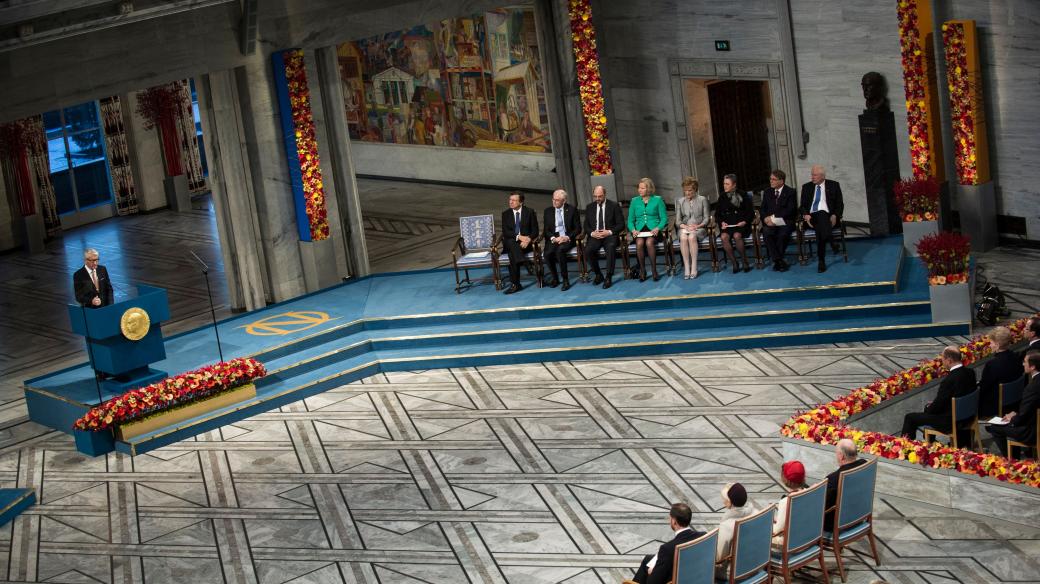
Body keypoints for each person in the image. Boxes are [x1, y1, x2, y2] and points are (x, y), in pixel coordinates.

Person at [899, 346, 977, 439]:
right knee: (930, 408)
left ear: (949, 360)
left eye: (943, 359)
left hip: (950, 421)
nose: (942, 362)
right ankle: (931, 442)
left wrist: (928, 409)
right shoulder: (970, 372)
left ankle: (906, 448)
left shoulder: (949, 380)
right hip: (968, 416)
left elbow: (938, 406)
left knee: (910, 418)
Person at [630, 503, 703, 584]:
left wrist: (652, 571)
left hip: (674, 579)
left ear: (674, 521)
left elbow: (653, 582)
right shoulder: (703, 536)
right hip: (693, 573)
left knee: (648, 570)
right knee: (647, 559)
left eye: (670, 518)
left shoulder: (668, 548)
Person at [986, 351, 1040, 457]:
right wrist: (1015, 413)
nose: (1023, 364)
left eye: (1025, 362)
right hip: (1034, 421)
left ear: (1032, 366)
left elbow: (1024, 416)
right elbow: (1030, 408)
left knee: (995, 428)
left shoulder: (1032, 388)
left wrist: (1012, 420)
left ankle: (1013, 459)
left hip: (1033, 431)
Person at [799, 165, 844, 273]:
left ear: (822, 176)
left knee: (821, 223)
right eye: (812, 174)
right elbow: (802, 206)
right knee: (820, 216)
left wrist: (835, 215)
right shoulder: (807, 187)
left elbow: (840, 204)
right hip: (811, 219)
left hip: (829, 218)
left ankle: (821, 260)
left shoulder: (834, 185)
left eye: (815, 175)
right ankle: (832, 242)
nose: (812, 177)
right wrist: (806, 215)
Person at [977, 327, 1025, 417]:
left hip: (996, 405)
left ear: (997, 345)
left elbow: (984, 388)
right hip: (1016, 401)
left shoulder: (992, 364)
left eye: (991, 343)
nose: (990, 345)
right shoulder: (1016, 357)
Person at [627, 177, 668, 282]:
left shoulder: (658, 200)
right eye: (639, 188)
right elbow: (630, 221)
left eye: (642, 188)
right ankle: (642, 270)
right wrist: (633, 230)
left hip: (653, 230)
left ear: (649, 189)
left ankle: (654, 270)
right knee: (639, 243)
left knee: (649, 242)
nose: (639, 190)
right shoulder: (634, 201)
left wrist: (658, 228)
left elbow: (664, 218)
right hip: (639, 231)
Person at [584, 185, 625, 289]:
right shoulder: (590, 207)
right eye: (595, 196)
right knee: (588, 250)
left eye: (600, 196)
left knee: (610, 247)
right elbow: (586, 226)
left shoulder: (614, 206)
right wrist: (593, 233)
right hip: (595, 235)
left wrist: (609, 232)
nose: (597, 199)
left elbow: (621, 224)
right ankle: (598, 274)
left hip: (609, 235)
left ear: (605, 195)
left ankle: (608, 276)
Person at [715, 482, 757, 578]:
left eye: (725, 500)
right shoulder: (756, 512)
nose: (723, 502)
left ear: (730, 502)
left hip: (734, 573)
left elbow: (719, 558)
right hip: (757, 564)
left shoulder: (727, 526)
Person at [824, 439, 866, 532]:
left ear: (841, 456)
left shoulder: (833, 479)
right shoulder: (864, 465)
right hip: (858, 516)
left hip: (837, 524)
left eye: (836, 453)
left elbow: (822, 506)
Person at [542, 189, 581, 291]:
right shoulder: (548, 211)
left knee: (560, 251)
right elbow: (546, 230)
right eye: (553, 199)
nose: (554, 202)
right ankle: (555, 278)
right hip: (554, 238)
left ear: (564, 201)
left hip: (567, 238)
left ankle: (565, 280)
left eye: (557, 200)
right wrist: (553, 238)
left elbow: (578, 228)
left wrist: (566, 237)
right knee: (547, 253)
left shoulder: (572, 210)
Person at [501, 191, 539, 295]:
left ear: (521, 202)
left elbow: (535, 231)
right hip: (512, 242)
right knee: (511, 242)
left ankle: (515, 284)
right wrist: (520, 237)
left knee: (512, 254)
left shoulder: (530, 212)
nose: (511, 202)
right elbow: (506, 232)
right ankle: (523, 261)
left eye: (514, 200)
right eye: (510, 200)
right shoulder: (506, 214)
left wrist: (528, 240)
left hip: (524, 246)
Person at [715, 174, 754, 274]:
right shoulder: (722, 197)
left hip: (741, 224)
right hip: (727, 225)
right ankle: (734, 262)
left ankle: (744, 261)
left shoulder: (743, 194)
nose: (724, 186)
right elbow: (717, 215)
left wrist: (744, 221)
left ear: (734, 184)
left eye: (727, 184)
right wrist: (722, 223)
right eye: (724, 184)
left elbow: (750, 212)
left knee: (737, 236)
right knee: (724, 237)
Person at [761, 169, 797, 272]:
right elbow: (763, 209)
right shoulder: (767, 192)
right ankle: (779, 261)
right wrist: (765, 218)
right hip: (770, 223)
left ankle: (777, 261)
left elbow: (791, 210)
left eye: (773, 179)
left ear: (781, 181)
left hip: (785, 221)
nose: (771, 181)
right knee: (767, 233)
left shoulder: (790, 192)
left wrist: (773, 217)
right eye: (770, 179)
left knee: (782, 235)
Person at [674, 177, 710, 280]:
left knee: (692, 237)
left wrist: (697, 226)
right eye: (685, 190)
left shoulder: (702, 199)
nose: (687, 193)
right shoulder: (680, 201)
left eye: (690, 190)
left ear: (695, 189)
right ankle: (687, 267)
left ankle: (694, 266)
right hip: (684, 228)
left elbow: (707, 218)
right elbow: (677, 221)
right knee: (684, 238)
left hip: (699, 228)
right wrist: (685, 226)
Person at [772, 460, 808, 549]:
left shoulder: (785, 501)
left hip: (792, 544)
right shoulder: (810, 492)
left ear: (785, 479)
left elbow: (777, 530)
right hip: (808, 538)